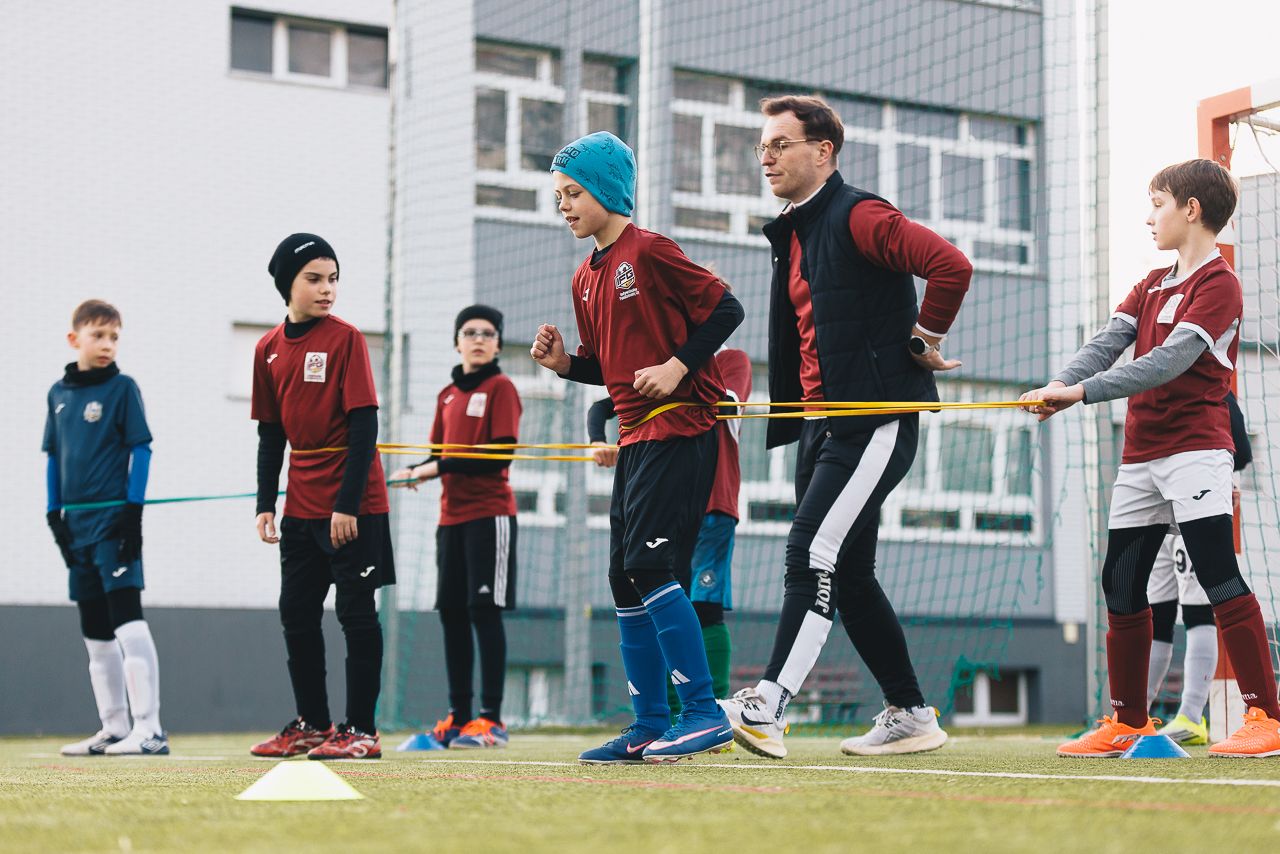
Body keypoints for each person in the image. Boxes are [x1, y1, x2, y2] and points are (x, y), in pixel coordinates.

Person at [717, 95, 972, 759]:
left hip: (872, 421)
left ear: (823, 151)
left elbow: (951, 265)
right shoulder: (795, 229)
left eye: (780, 144)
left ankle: (768, 704)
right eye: (762, 147)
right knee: (850, 575)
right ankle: (911, 714)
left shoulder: (860, 214)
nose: (766, 157)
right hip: (820, 428)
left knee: (810, 552)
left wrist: (924, 338)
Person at [1023, 159, 1280, 758]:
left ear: (1191, 210)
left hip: (1197, 451)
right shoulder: (1150, 284)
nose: (1149, 217)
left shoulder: (1220, 286)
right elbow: (1107, 343)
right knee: (1120, 580)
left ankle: (1266, 717)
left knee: (1217, 574)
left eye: (1158, 204)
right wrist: (1059, 384)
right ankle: (1129, 722)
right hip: (1141, 454)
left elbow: (1167, 362)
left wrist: (1081, 393)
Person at [531, 131, 744, 763]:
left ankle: (704, 714)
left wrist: (677, 367)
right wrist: (565, 364)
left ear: (606, 190)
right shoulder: (584, 277)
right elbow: (608, 366)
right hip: (635, 440)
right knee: (624, 580)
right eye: (559, 196)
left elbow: (727, 310)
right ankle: (649, 722)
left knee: (651, 570)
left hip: (680, 429)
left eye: (574, 193)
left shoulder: (650, 251)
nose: (564, 206)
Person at [250, 233, 395, 760]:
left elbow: (364, 427)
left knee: (356, 614)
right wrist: (265, 503)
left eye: (333, 278)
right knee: (296, 612)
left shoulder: (347, 339)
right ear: (286, 284)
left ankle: (361, 731)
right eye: (314, 278)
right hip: (300, 506)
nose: (327, 289)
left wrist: (347, 505)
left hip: (354, 507)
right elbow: (271, 434)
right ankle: (312, 723)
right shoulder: (267, 349)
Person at [587, 342, 752, 703]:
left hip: (713, 502)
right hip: (663, 500)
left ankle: (712, 706)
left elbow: (726, 404)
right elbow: (601, 407)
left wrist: (672, 371)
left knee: (704, 605)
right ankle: (669, 711)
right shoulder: (660, 359)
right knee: (656, 600)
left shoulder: (730, 359)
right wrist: (598, 440)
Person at [391, 305, 521, 750]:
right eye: (470, 332)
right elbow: (437, 456)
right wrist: (414, 471)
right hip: (451, 519)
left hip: (491, 515)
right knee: (451, 612)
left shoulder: (501, 387)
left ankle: (491, 721)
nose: (478, 339)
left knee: (484, 612)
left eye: (487, 333)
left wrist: (433, 468)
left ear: (498, 344)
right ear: (457, 342)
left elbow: (499, 454)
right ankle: (459, 718)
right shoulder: (447, 394)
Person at [45, 299, 168, 756]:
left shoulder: (123, 389)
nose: (108, 345)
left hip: (113, 523)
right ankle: (114, 728)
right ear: (74, 339)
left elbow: (142, 450)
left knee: (127, 623)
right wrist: (53, 513)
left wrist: (133, 512)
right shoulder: (58, 395)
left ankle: (149, 730)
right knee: (95, 634)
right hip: (76, 527)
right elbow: (54, 456)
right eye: (98, 335)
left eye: (114, 337)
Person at [1145, 392, 1252, 745]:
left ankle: (1191, 716)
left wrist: (1226, 479)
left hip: (1194, 503)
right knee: (1157, 613)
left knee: (1197, 609)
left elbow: (1241, 449)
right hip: (1155, 506)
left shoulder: (1207, 383)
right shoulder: (1149, 385)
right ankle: (1133, 717)